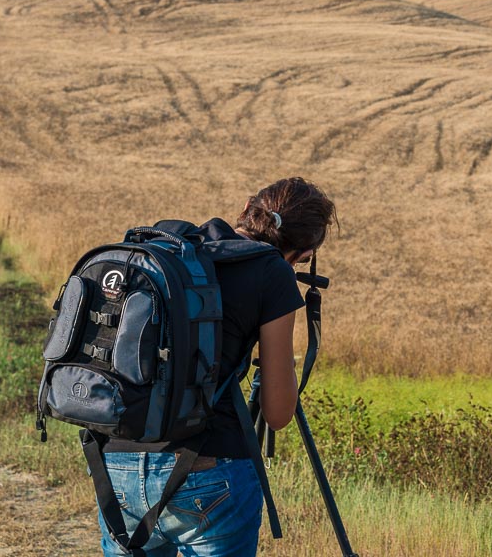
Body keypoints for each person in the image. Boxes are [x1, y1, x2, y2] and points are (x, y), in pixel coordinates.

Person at [97, 177, 337, 557]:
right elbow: (277, 414)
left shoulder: (172, 254)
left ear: (245, 208)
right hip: (208, 470)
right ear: (304, 252)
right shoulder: (271, 272)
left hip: (118, 462)